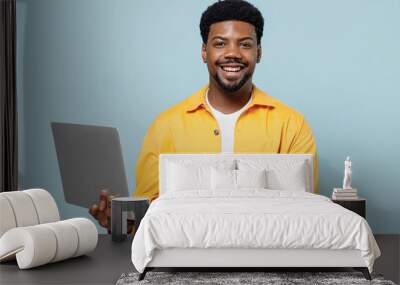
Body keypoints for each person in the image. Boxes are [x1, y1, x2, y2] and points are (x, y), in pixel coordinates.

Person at [91, 0, 318, 229]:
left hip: (268, 255)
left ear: (258, 53)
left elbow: (303, 213)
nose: (232, 53)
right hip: (182, 258)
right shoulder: (165, 126)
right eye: (220, 43)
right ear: (204, 52)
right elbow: (148, 216)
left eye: (245, 45)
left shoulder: (292, 125)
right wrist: (121, 223)